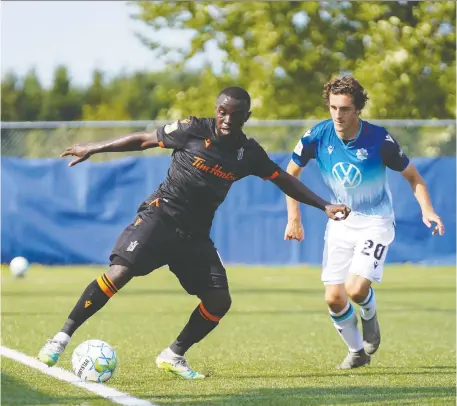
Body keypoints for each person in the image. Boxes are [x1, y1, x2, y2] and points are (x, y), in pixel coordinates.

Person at [38, 86, 351, 379]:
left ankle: (173, 355)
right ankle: (60, 339)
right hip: (160, 216)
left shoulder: (248, 153)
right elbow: (144, 140)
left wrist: (323, 205)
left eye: (235, 114)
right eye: (222, 112)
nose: (227, 119)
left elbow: (282, 178)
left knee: (219, 301)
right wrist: (95, 147)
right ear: (216, 111)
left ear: (247, 117)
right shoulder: (192, 129)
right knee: (120, 272)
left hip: (195, 235)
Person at [284, 76, 445, 369]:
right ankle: (357, 352)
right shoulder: (316, 135)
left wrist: (427, 210)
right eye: (333, 107)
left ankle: (369, 317)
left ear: (358, 109)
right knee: (334, 298)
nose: (337, 115)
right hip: (340, 222)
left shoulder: (379, 139)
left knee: (356, 290)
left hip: (376, 221)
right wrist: (294, 217)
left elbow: (413, 177)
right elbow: (289, 174)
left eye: (344, 108)